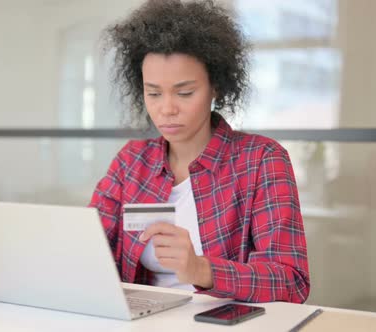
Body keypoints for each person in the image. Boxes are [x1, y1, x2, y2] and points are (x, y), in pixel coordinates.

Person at [89, 0, 310, 303]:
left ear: (215, 86)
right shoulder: (131, 162)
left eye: (185, 92)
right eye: (153, 93)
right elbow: (89, 249)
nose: (166, 109)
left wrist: (201, 269)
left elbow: (291, 281)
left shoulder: (262, 160)